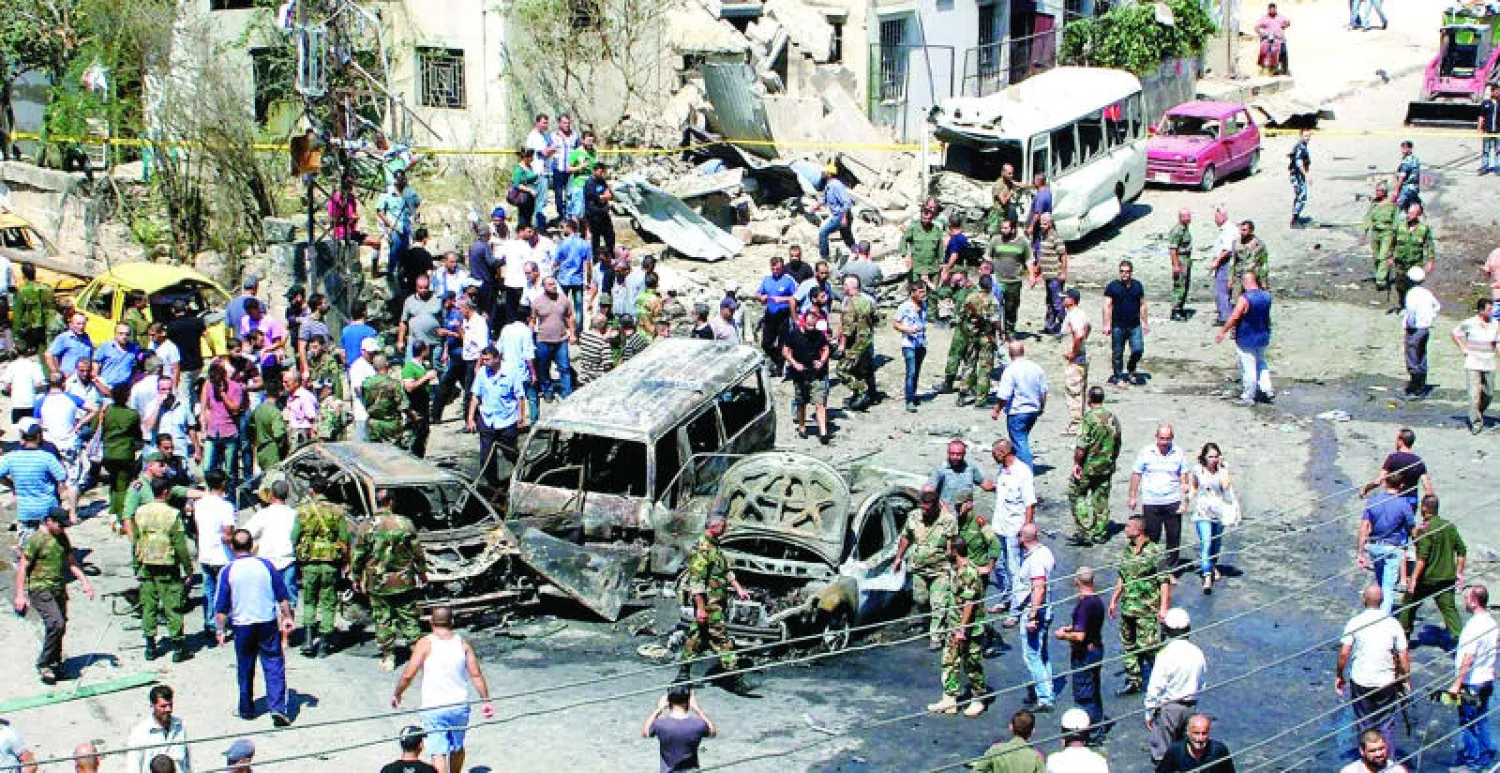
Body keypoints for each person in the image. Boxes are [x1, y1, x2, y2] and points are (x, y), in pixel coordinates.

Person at [392, 607, 495, 773]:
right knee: (457, 747)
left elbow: (408, 675)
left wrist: (398, 693)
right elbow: (476, 675)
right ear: (452, 622)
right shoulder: (462, 644)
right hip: (459, 706)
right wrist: (486, 700)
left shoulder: (425, 643)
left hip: (433, 706)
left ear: (431, 622)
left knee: (438, 751)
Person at [215, 528, 295, 725]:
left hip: (242, 625)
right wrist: (287, 616)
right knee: (273, 663)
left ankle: (246, 709)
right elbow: (282, 595)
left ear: (232, 547)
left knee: (245, 666)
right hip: (267, 622)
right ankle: (277, 708)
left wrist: (220, 630)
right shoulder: (266, 566)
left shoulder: (228, 570)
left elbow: (221, 607)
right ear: (252, 546)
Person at [13, 508, 93, 684]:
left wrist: (85, 582)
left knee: (61, 626)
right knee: (56, 623)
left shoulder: (61, 537)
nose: (62, 529)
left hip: (58, 588)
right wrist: (20, 595)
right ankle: (44, 663)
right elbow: (23, 567)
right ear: (49, 521)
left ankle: (55, 663)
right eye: (59, 525)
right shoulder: (36, 540)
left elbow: (71, 562)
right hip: (40, 588)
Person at [352, 489, 428, 670]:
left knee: (383, 619)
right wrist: (422, 573)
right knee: (409, 617)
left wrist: (355, 577)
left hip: (377, 583)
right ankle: (416, 653)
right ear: (391, 502)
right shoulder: (405, 523)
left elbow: (359, 555)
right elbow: (417, 552)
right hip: (404, 581)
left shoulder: (366, 526)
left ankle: (388, 657)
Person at [676, 515, 751, 690]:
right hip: (709, 605)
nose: (726, 529)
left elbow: (725, 570)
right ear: (713, 527)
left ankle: (682, 675)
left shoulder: (714, 546)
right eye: (723, 526)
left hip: (716, 602)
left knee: (696, 637)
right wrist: (701, 609)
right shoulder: (703, 549)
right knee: (722, 639)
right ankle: (735, 679)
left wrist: (738, 588)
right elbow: (696, 582)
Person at [1337, 585, 1410, 755]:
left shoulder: (1355, 622)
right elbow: (1403, 655)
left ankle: (1367, 758)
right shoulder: (1393, 623)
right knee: (1386, 723)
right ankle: (1388, 759)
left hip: (1361, 680)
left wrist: (1339, 675)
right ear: (1382, 600)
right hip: (1385, 681)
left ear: (1364, 600)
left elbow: (1344, 653)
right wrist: (1406, 679)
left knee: (1364, 722)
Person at [134, 477, 196, 663]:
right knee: (173, 606)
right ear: (166, 492)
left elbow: (136, 540)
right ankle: (178, 647)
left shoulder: (140, 512)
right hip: (167, 566)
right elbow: (180, 545)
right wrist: (188, 569)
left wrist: (136, 565)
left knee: (149, 606)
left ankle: (150, 647)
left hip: (146, 563)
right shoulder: (172, 514)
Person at [927, 536, 989, 717]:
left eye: (948, 548)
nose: (946, 551)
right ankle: (949, 698)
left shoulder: (969, 572)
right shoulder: (956, 569)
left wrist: (962, 628)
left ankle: (978, 698)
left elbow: (969, 603)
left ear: (954, 551)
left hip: (969, 628)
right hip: (953, 625)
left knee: (972, 664)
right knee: (949, 661)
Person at [1110, 516, 1171, 695]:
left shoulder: (1156, 551)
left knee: (1150, 646)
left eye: (1128, 526)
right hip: (1128, 607)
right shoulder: (1128, 550)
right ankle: (1133, 680)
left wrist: (1164, 608)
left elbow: (1164, 581)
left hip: (1147, 609)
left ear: (1138, 530)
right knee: (1128, 645)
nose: (1126, 529)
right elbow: (1122, 576)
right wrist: (1114, 599)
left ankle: (1163, 680)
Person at [291, 477, 349, 657]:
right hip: (331, 563)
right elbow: (344, 539)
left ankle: (308, 640)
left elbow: (294, 537)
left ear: (311, 490)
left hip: (309, 563)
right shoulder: (337, 511)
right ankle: (324, 645)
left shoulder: (302, 510)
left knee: (309, 601)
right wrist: (346, 562)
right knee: (328, 603)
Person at [1398, 495, 1465, 645]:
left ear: (1424, 508)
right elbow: (1462, 551)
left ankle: (1403, 636)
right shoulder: (1449, 526)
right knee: (1450, 610)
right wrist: (1459, 572)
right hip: (1447, 577)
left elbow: (1422, 558)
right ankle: (1460, 641)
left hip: (1426, 578)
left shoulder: (1426, 529)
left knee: (1408, 604)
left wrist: (1413, 580)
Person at [1145, 608, 1205, 765]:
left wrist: (1149, 712)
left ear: (1166, 630)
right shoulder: (1197, 653)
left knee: (1162, 754)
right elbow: (1202, 682)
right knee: (1186, 752)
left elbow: (1155, 688)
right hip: (1191, 706)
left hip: (1169, 708)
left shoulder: (1165, 654)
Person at [1130, 424, 1191, 574]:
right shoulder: (1146, 452)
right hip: (1151, 501)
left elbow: (1183, 476)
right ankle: (1151, 568)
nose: (1164, 442)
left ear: (1172, 438)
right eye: (1161, 438)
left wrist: (1185, 498)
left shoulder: (1179, 453)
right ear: (1156, 437)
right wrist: (1132, 496)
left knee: (1173, 537)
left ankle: (1171, 570)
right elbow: (1136, 474)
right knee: (1152, 536)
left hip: (1172, 501)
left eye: (1167, 439)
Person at [1009, 523, 1057, 713]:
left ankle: (1045, 697)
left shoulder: (1035, 560)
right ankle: (1047, 689)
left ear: (1023, 538)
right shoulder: (1045, 552)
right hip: (1046, 609)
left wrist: (1032, 616)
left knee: (1032, 655)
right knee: (1042, 653)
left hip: (1035, 612)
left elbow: (1039, 588)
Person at [1449, 584, 1498, 770]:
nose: (1464, 601)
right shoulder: (1491, 622)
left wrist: (1456, 684)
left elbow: (1469, 657)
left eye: (1466, 598)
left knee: (1468, 723)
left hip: (1472, 682)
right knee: (1482, 719)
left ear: (1474, 601)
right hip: (1486, 680)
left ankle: (1473, 762)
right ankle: (1484, 756)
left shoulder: (1473, 627)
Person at [986, 439, 1034, 619]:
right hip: (999, 525)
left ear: (1003, 453)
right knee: (999, 565)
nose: (993, 457)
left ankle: (1016, 609)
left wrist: (1026, 530)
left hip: (1015, 528)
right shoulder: (1002, 470)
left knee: (1015, 569)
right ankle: (1006, 597)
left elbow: (1030, 504)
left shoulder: (1023, 472)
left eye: (994, 453)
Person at [468, 346, 528, 487]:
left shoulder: (511, 372)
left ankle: (522, 470)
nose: (484, 362)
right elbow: (476, 396)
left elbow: (520, 396)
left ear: (497, 358)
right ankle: (493, 485)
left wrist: (521, 416)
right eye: (483, 359)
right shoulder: (482, 373)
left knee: (509, 452)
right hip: (487, 420)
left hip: (506, 420)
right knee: (486, 457)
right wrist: (470, 418)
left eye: (487, 359)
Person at [1056, 568, 1107, 733]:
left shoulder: (1084, 605)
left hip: (1084, 654)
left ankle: (1088, 731)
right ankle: (1097, 725)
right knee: (1095, 689)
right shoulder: (1097, 600)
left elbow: (1080, 636)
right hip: (1096, 648)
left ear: (1077, 581)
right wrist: (1071, 627)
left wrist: (1063, 635)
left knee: (1084, 694)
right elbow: (1087, 626)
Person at [0, 424, 72, 539]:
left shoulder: (11, 458)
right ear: (38, 437)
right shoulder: (47, 457)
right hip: (48, 508)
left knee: (28, 544)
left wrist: (12, 485)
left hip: (25, 510)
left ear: (22, 438)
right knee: (51, 543)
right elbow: (62, 477)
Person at [1356, 475, 1416, 615]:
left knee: (1380, 581)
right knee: (1388, 587)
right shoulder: (1403, 504)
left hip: (1374, 547)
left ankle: (1375, 610)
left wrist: (1360, 553)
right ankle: (1383, 617)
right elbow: (1412, 528)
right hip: (1392, 548)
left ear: (1385, 484)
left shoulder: (1372, 502)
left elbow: (1364, 528)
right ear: (1401, 486)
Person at [1070, 387, 1121, 546]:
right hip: (1106, 466)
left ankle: (1085, 530)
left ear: (1089, 399)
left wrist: (1077, 464)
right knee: (1101, 499)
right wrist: (1112, 460)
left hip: (1089, 466)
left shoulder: (1089, 418)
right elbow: (1118, 442)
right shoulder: (1112, 417)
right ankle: (1100, 533)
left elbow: (1081, 446)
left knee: (1077, 494)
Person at [1215, 271, 1274, 406]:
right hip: (1263, 335)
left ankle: (1248, 395)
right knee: (1261, 363)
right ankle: (1266, 389)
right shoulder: (1266, 296)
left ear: (1245, 282)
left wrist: (1223, 331)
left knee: (1248, 367)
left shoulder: (1245, 298)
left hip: (1247, 337)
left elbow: (1235, 316)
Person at [1187, 443, 1237, 595]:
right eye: (1210, 457)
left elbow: (1225, 486)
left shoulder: (1222, 470)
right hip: (1203, 513)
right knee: (1206, 543)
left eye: (1216, 456)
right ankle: (1207, 576)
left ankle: (1212, 565)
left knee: (1216, 544)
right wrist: (1187, 499)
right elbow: (1194, 486)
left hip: (1219, 512)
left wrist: (1222, 468)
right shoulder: (1198, 469)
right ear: (1204, 457)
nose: (1213, 459)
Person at [990, 341, 1048, 469]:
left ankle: (1026, 470)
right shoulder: (1036, 368)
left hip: (1018, 411)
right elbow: (1043, 390)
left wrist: (996, 410)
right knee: (1021, 440)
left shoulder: (1010, 370)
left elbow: (1004, 394)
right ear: (1023, 351)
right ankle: (1018, 466)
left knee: (1020, 442)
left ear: (1010, 353)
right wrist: (1042, 406)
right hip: (1033, 410)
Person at [195, 470, 236, 642]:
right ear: (223, 483)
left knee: (209, 590)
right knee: (224, 593)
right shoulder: (226, 507)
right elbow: (227, 534)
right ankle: (222, 626)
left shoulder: (199, 504)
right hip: (222, 555)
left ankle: (210, 623)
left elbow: (197, 529)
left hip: (205, 552)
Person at [782, 310, 831, 444]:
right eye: (809, 324)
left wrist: (821, 361)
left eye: (813, 324)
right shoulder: (794, 335)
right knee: (802, 402)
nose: (811, 326)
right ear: (803, 322)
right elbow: (785, 351)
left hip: (817, 373)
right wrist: (794, 363)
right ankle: (802, 426)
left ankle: (823, 432)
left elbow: (826, 348)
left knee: (820, 402)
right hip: (800, 374)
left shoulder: (819, 335)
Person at [641, 687, 717, 773]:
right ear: (688, 701)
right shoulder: (698, 724)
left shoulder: (660, 724)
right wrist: (697, 709)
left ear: (668, 701)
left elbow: (645, 732)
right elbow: (713, 732)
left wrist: (659, 709)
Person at [1452, 298, 1499, 434]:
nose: (1491, 312)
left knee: (1489, 393)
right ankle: (1476, 422)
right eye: (1489, 309)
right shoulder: (1470, 323)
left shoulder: (1495, 324)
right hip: (1473, 362)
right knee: (1473, 394)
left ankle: (1479, 411)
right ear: (1481, 310)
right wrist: (1463, 348)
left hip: (1489, 362)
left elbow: (1497, 342)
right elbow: (1455, 333)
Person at [957, 275, 1002, 406]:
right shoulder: (993, 300)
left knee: (969, 364)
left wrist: (966, 331)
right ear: (991, 286)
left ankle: (963, 394)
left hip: (971, 335)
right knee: (985, 367)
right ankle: (981, 399)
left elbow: (960, 317)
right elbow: (996, 321)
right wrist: (1001, 332)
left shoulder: (970, 298)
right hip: (986, 337)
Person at [1102, 260, 1148, 386]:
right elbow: (1107, 305)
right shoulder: (1113, 286)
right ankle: (1118, 376)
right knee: (1117, 352)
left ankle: (1131, 368)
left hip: (1134, 324)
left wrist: (1145, 322)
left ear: (1131, 272)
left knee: (1138, 349)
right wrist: (1106, 324)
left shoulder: (1137, 286)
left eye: (1127, 272)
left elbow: (1142, 304)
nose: (1124, 274)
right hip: (1118, 325)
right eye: (1122, 271)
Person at [124, 685, 190, 773]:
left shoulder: (180, 726)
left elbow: (186, 762)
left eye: (170, 705)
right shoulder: (140, 733)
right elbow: (133, 767)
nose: (168, 709)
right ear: (152, 705)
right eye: (163, 706)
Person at [836, 275, 878, 410]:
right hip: (867, 341)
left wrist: (841, 345)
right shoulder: (868, 300)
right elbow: (876, 319)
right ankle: (867, 396)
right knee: (863, 370)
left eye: (844, 285)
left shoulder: (850, 303)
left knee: (842, 370)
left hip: (855, 344)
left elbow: (847, 328)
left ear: (849, 287)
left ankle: (861, 390)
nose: (843, 288)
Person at [989, 220, 1031, 336]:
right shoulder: (995, 240)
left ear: (1013, 229)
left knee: (1011, 308)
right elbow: (988, 257)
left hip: (1014, 282)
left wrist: (1032, 276)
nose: (1002, 230)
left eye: (1005, 228)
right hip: (998, 281)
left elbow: (1029, 260)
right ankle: (994, 332)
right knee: (994, 308)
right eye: (1002, 228)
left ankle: (1009, 332)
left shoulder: (1022, 243)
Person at [756, 257, 797, 374]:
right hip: (770, 315)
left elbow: (795, 298)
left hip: (783, 315)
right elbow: (758, 293)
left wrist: (782, 299)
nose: (775, 271)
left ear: (782, 268)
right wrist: (761, 297)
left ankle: (779, 367)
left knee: (782, 343)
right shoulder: (767, 279)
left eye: (778, 269)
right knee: (766, 344)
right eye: (773, 269)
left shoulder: (788, 281)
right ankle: (778, 360)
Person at [1390, 204, 1435, 310]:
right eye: (1408, 213)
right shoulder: (1399, 226)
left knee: (1414, 286)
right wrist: (1389, 256)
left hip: (1415, 263)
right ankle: (1403, 304)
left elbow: (1429, 244)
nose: (1408, 215)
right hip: (1400, 263)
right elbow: (1392, 242)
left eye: (1411, 213)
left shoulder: (1423, 229)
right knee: (1400, 285)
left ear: (1417, 214)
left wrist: (1430, 261)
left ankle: (1412, 306)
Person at [1154, 714, 1235, 772]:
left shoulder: (1219, 750)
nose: (1200, 738)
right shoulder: (1175, 751)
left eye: (1204, 733)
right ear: (1187, 733)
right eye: (1196, 733)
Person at [894, 282, 929, 413]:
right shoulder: (904, 307)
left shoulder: (924, 305)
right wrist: (908, 330)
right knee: (911, 372)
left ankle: (913, 395)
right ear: (913, 293)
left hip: (921, 343)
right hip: (909, 344)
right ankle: (909, 400)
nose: (923, 294)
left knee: (917, 372)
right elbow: (896, 324)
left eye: (924, 291)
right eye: (920, 292)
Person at [1361, 183, 1400, 292]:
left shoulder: (1392, 204)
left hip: (1387, 232)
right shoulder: (1374, 203)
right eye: (1376, 190)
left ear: (1384, 192)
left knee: (1384, 256)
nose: (1377, 192)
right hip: (1375, 232)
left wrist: (1394, 234)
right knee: (1376, 257)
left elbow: (1396, 220)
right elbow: (1368, 217)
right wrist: (1364, 232)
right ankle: (1383, 275)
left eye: (1379, 191)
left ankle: (1380, 281)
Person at [816, 165, 855, 261]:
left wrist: (844, 218)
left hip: (841, 215)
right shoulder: (829, 185)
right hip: (840, 215)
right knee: (848, 238)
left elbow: (847, 202)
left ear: (829, 174)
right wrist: (818, 205)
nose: (822, 173)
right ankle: (858, 253)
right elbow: (825, 199)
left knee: (823, 233)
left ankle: (825, 258)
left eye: (825, 172)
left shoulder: (836, 185)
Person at [583, 163, 617, 268]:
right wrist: (603, 197)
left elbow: (608, 193)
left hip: (604, 212)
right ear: (594, 171)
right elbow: (594, 197)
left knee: (610, 236)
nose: (602, 174)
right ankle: (596, 260)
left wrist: (605, 196)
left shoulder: (602, 181)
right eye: (600, 171)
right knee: (596, 239)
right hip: (594, 214)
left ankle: (610, 256)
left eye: (603, 172)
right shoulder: (589, 183)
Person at [901, 204, 944, 284]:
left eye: (928, 218)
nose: (926, 220)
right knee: (915, 289)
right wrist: (905, 255)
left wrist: (941, 263)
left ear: (932, 217)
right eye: (924, 218)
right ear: (921, 216)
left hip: (932, 268)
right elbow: (904, 239)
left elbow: (940, 248)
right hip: (917, 268)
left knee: (933, 290)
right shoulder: (914, 228)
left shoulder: (936, 230)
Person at [1164, 209, 1194, 321]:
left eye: (1189, 216)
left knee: (1185, 285)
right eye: (1186, 216)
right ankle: (1175, 310)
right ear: (1180, 217)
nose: (1189, 218)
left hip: (1186, 260)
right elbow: (1173, 249)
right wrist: (1176, 265)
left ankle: (1180, 308)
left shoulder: (1185, 228)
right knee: (1179, 286)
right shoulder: (1177, 230)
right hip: (1180, 260)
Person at [1340, 729, 1408, 773]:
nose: (1378, 754)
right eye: (1372, 751)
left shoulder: (1397, 770)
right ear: (1362, 751)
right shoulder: (1349, 771)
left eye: (1381, 748)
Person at [1255, 3, 1290, 75]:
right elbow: (1256, 27)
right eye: (1271, 9)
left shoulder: (1280, 17)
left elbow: (1288, 22)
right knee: (1266, 53)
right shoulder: (1264, 18)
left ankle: (1284, 70)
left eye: (1274, 9)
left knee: (1284, 52)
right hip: (1269, 40)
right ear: (1268, 9)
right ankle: (1266, 69)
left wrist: (1285, 25)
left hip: (1280, 39)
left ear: (1275, 9)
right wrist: (1262, 33)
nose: (1272, 10)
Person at [1288, 129, 1311, 227]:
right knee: (1301, 196)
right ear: (1301, 136)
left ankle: (1295, 217)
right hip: (1297, 175)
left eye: (1309, 136)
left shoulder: (1302, 146)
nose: (1307, 138)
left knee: (1300, 196)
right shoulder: (1300, 148)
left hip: (1298, 175)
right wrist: (1306, 175)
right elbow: (1299, 163)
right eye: (1305, 136)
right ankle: (1295, 220)